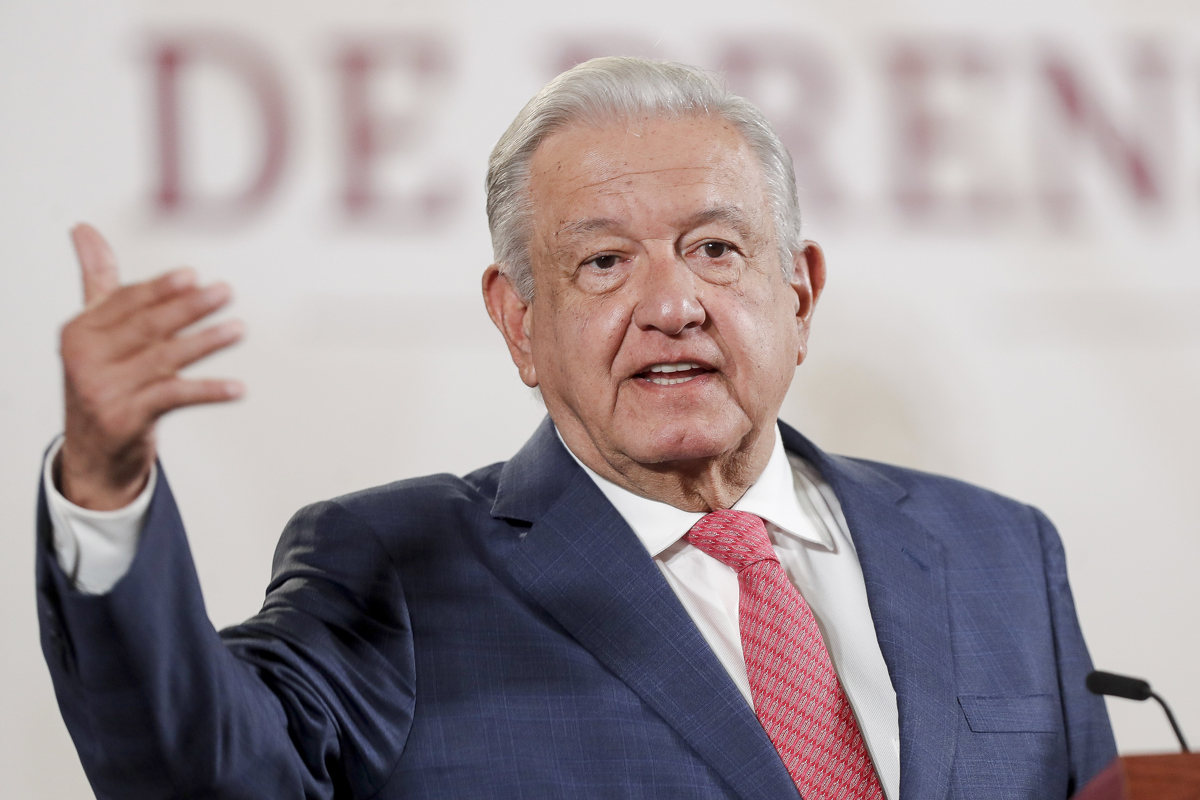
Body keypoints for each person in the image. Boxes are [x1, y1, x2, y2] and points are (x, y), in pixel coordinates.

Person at [37, 57, 1116, 800]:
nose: (672, 303)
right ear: (520, 323)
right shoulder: (398, 573)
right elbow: (202, 773)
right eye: (603, 261)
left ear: (800, 292)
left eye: (717, 249)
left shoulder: (1001, 551)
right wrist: (104, 481)